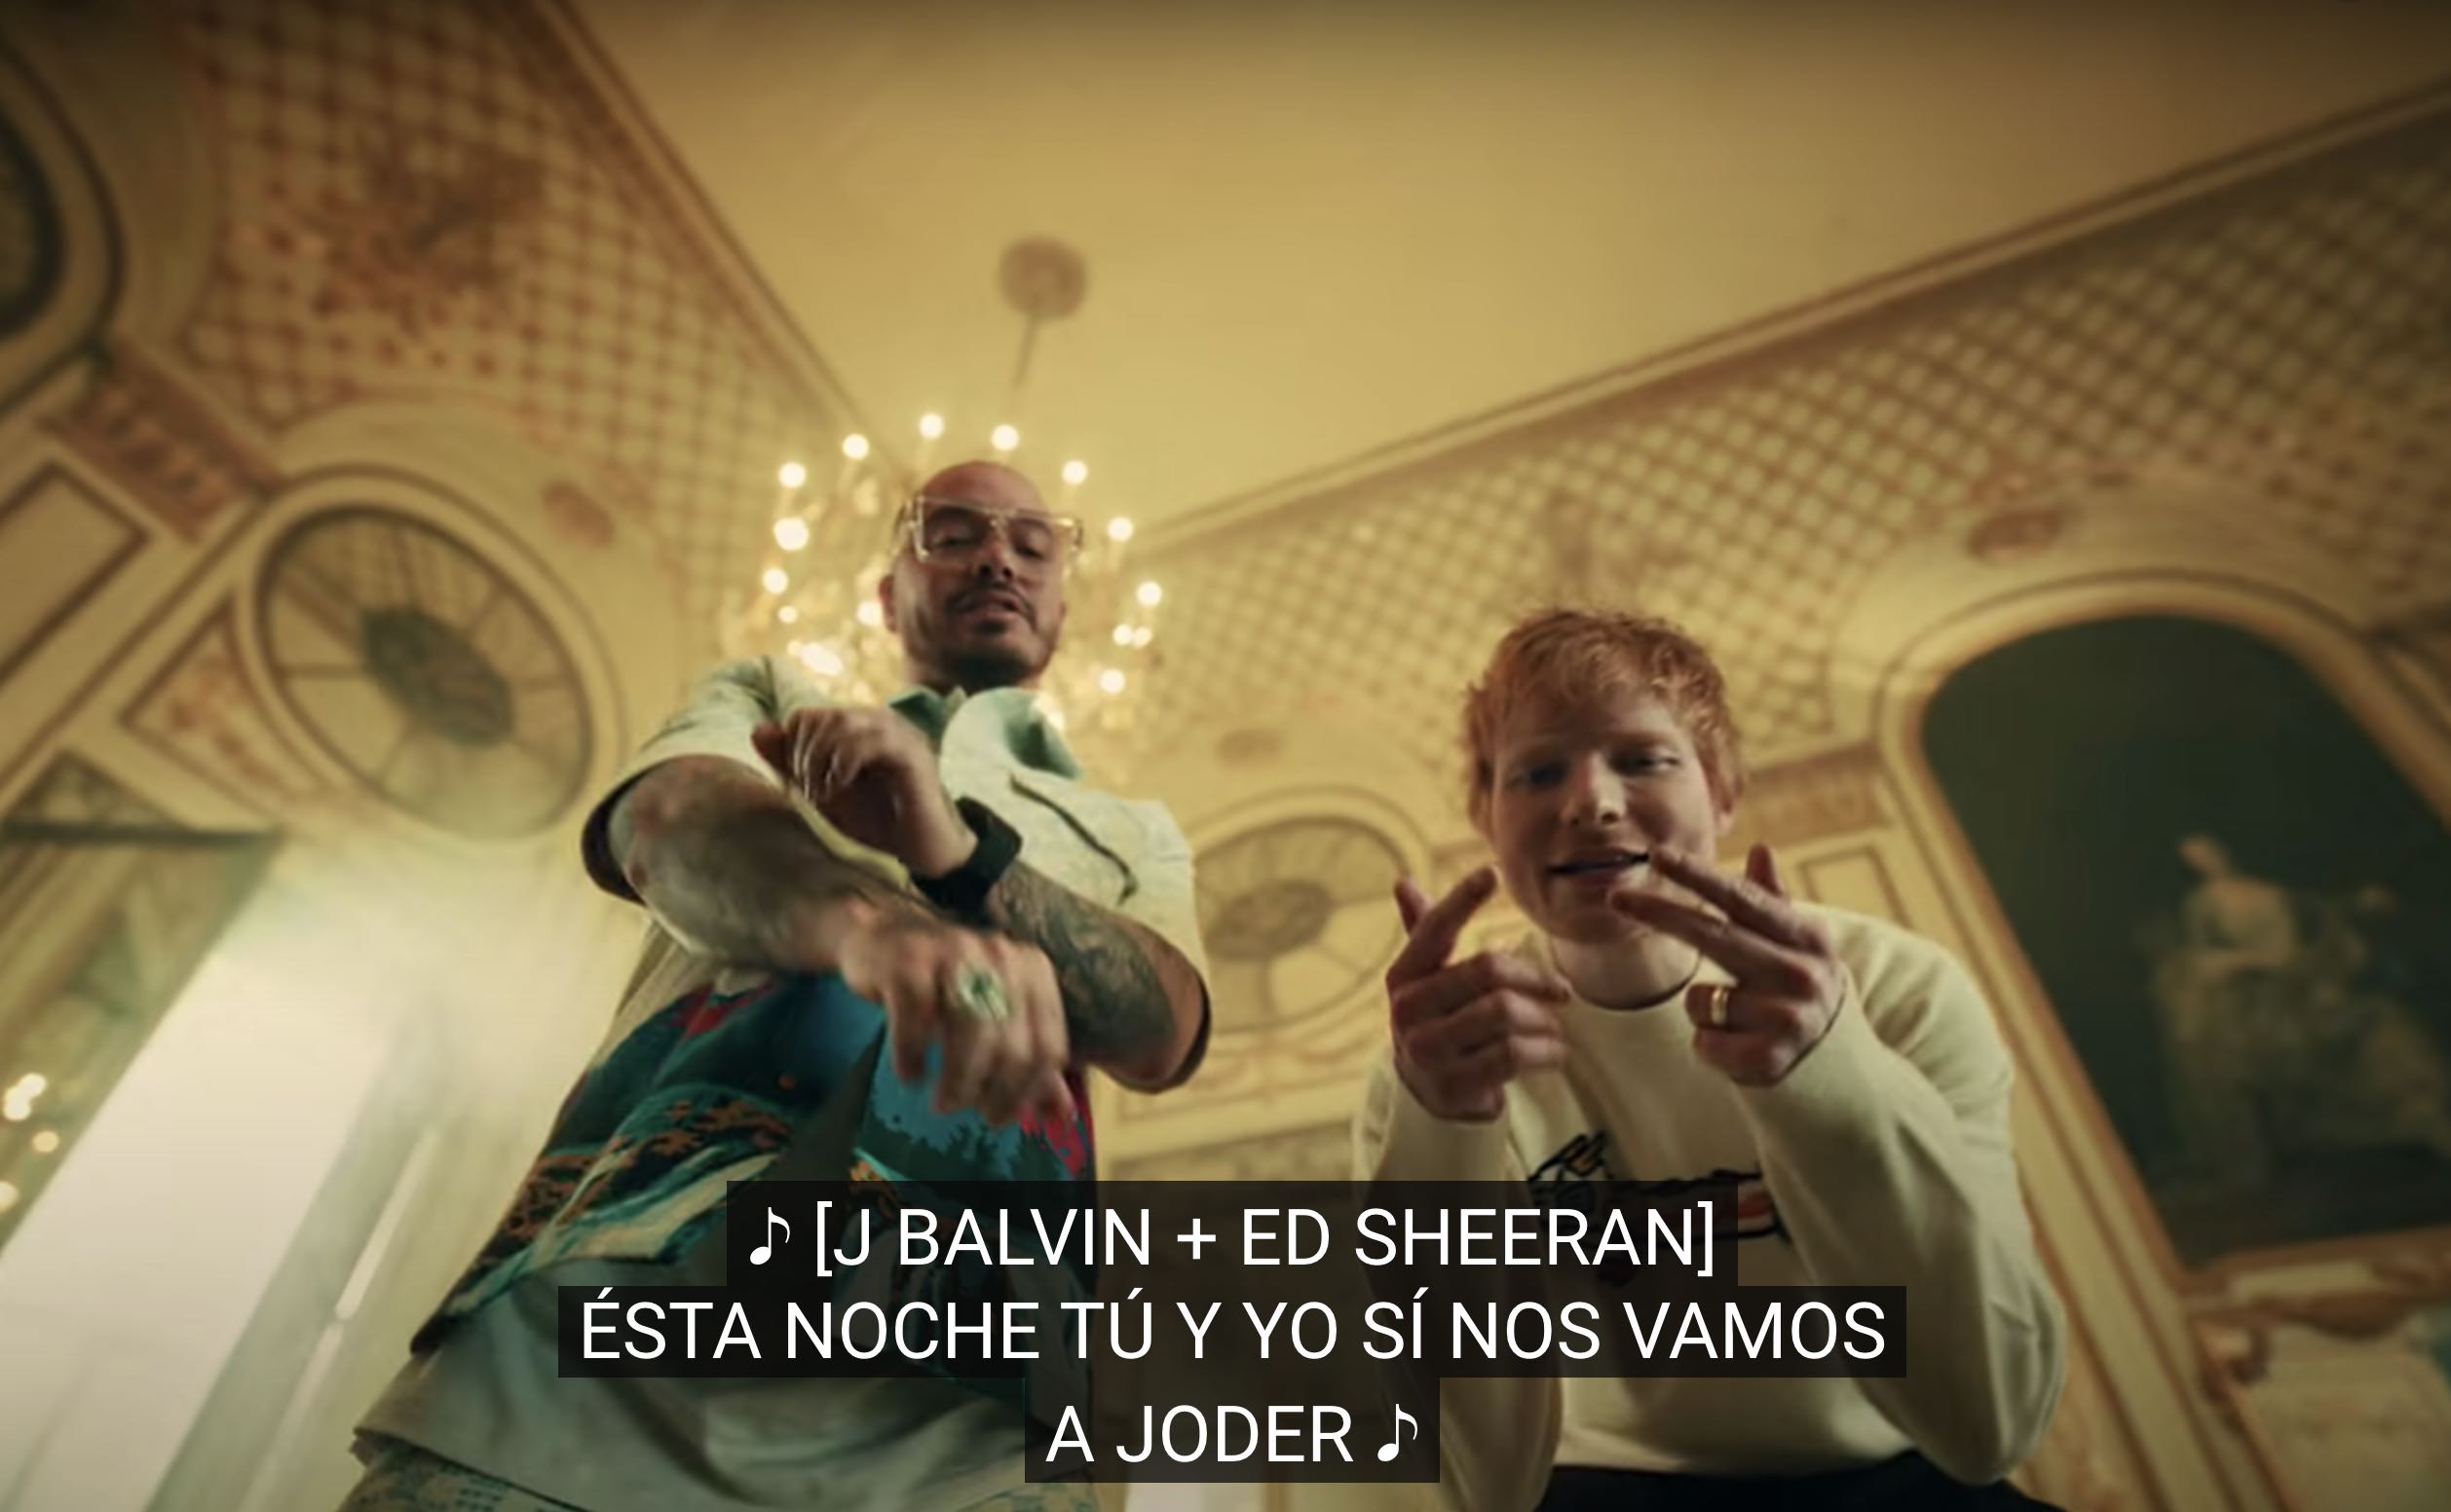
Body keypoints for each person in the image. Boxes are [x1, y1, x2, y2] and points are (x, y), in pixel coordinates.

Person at [341, 460, 1212, 1512]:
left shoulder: (1137, 832)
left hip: (974, 1422)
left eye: (1033, 545)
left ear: (1064, 605)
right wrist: (874, 927)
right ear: (885, 593)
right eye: (952, 534)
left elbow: (1164, 1028)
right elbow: (667, 823)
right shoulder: (772, 697)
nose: (998, 557)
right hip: (587, 1352)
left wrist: (954, 852)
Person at [1354, 608, 2065, 1512]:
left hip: (1897, 1474)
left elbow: (1992, 1423)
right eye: (1537, 773)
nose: (1590, 802)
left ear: (1723, 793)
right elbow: (1484, 1487)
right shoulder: (1440, 1062)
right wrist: (1442, 1132)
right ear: (1485, 819)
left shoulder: (1898, 988)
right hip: (1604, 1492)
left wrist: (1830, 1069)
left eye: (1642, 759)